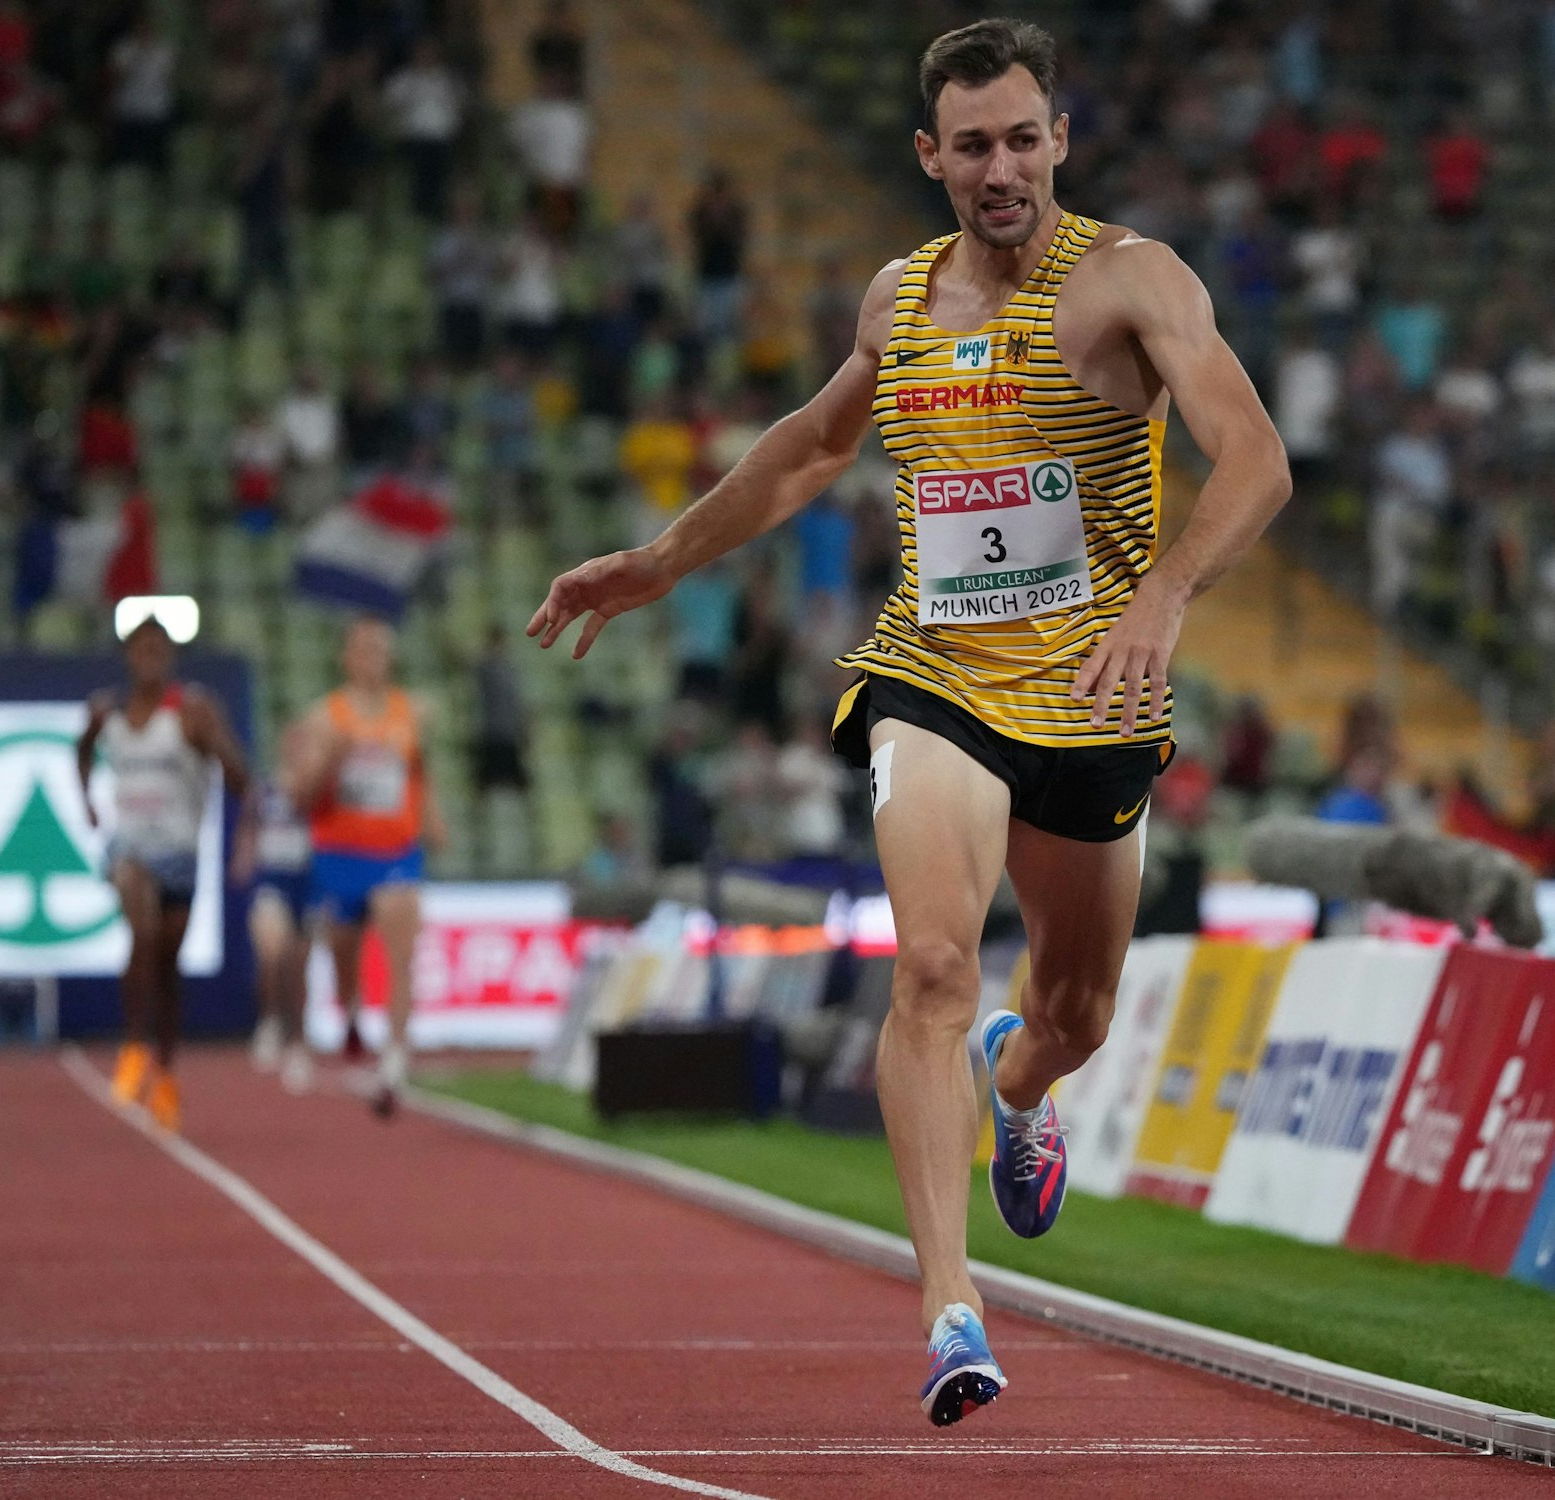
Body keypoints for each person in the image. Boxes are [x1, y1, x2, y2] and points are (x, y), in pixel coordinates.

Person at [529, 19, 1289, 1425]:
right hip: (933, 675)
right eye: (971, 145)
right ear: (928, 155)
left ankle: (1020, 1085)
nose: (999, 168)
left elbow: (1256, 455)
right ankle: (951, 1307)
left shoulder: (1132, 280)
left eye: (1021, 138)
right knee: (932, 963)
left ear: (1059, 138)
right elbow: (816, 447)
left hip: (1091, 692)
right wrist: (656, 561)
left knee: (1073, 1010)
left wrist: (1165, 597)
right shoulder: (898, 296)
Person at [77, 618, 249, 1132]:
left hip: (180, 853)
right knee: (143, 925)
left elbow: (242, 779)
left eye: (159, 648)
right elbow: (80, 750)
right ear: (128, 656)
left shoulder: (192, 711)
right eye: (140, 648)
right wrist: (86, 800)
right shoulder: (109, 712)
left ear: (171, 657)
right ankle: (132, 1045)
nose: (149, 656)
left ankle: (167, 1071)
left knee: (168, 966)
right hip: (130, 848)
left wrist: (220, 752)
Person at [289, 617, 446, 1117]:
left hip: (397, 850)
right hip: (340, 853)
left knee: (401, 953)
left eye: (381, 649)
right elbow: (301, 797)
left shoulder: (412, 712)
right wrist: (332, 761)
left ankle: (396, 1056)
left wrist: (432, 817)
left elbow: (420, 771)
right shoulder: (324, 718)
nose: (373, 659)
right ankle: (352, 1011)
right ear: (347, 659)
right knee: (344, 957)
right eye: (364, 650)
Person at [234, 723, 316, 1095]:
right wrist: (243, 858)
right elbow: (249, 825)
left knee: (299, 965)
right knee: (272, 954)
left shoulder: (318, 788)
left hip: (308, 880)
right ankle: (268, 1020)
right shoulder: (265, 787)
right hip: (272, 878)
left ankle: (298, 1043)